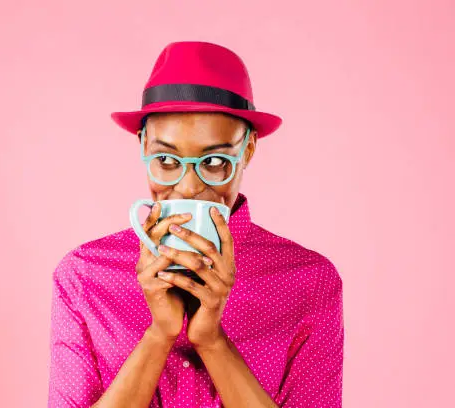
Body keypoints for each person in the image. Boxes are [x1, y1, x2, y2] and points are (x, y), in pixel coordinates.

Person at [47, 41, 344, 408]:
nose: (189, 187)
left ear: (248, 149)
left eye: (216, 162)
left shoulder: (309, 281)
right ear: (142, 147)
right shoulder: (84, 277)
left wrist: (212, 342)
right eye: (167, 161)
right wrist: (159, 335)